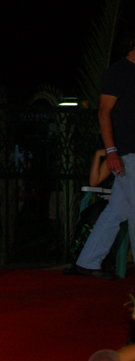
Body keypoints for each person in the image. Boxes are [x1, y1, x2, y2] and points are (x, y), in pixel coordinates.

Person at [69, 29, 135, 280]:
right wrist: (111, 151)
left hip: (129, 152)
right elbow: (104, 112)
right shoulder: (117, 72)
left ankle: (87, 261)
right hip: (127, 151)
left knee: (117, 211)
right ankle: (88, 262)